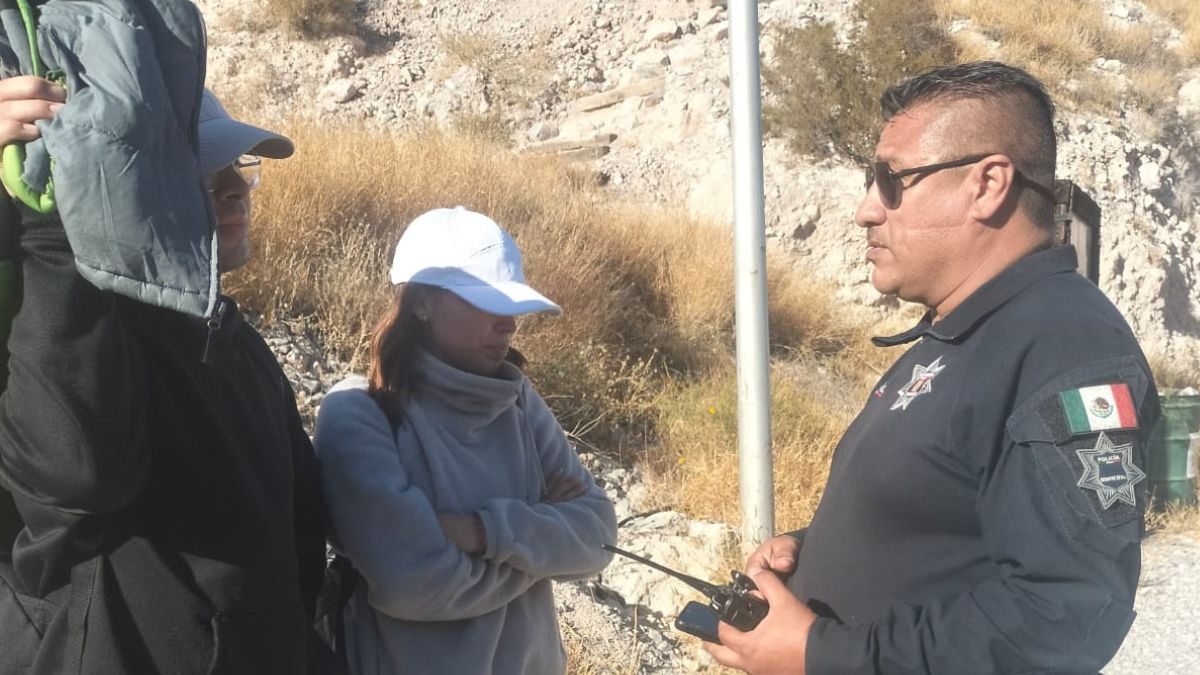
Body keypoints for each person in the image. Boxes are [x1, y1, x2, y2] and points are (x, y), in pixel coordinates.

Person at [704, 61, 1161, 675]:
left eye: (891, 180)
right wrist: (809, 554)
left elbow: (1065, 615)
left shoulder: (1062, 346)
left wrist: (822, 652)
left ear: (988, 184)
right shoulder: (960, 332)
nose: (868, 209)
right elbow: (945, 526)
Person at [0, 77, 338, 674]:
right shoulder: (87, 333)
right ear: (133, 188)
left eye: (240, 164)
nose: (236, 187)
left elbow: (300, 537)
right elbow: (80, 475)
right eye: (204, 171)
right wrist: (49, 223)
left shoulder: (240, 345)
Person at [314, 206, 617, 675]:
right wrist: (541, 544)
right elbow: (410, 582)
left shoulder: (519, 402)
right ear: (421, 304)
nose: (509, 322)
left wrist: (478, 532)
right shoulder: (358, 415)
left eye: (512, 305)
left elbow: (599, 538)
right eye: (486, 301)